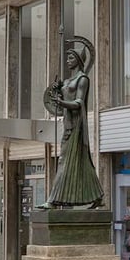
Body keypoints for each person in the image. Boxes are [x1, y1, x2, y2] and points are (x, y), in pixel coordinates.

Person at [41, 44, 104, 208]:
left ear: (78, 60)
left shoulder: (83, 79)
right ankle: (97, 196)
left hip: (76, 127)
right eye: (67, 58)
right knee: (82, 163)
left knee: (64, 162)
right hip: (68, 124)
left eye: (71, 58)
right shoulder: (68, 81)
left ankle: (53, 200)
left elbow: (78, 102)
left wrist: (61, 101)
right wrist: (57, 91)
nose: (68, 61)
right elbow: (59, 99)